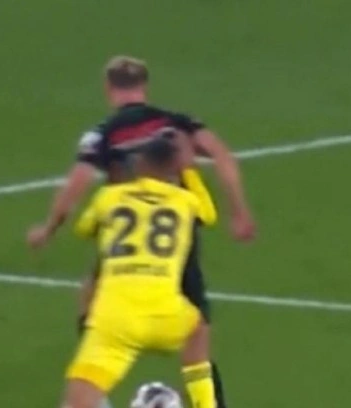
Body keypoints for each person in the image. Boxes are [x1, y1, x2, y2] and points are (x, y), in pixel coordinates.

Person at [29, 55, 255, 408]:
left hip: (122, 237)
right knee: (197, 333)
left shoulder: (104, 133)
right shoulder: (176, 124)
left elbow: (77, 184)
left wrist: (49, 227)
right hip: (178, 234)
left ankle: (95, 391)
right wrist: (239, 212)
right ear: (144, 85)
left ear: (108, 87)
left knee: (90, 301)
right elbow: (223, 156)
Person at [62, 136, 216, 408]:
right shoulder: (186, 201)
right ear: (175, 168)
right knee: (198, 330)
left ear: (140, 164)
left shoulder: (109, 196)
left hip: (116, 319)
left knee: (77, 401)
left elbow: (83, 229)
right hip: (165, 313)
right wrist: (189, 171)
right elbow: (209, 215)